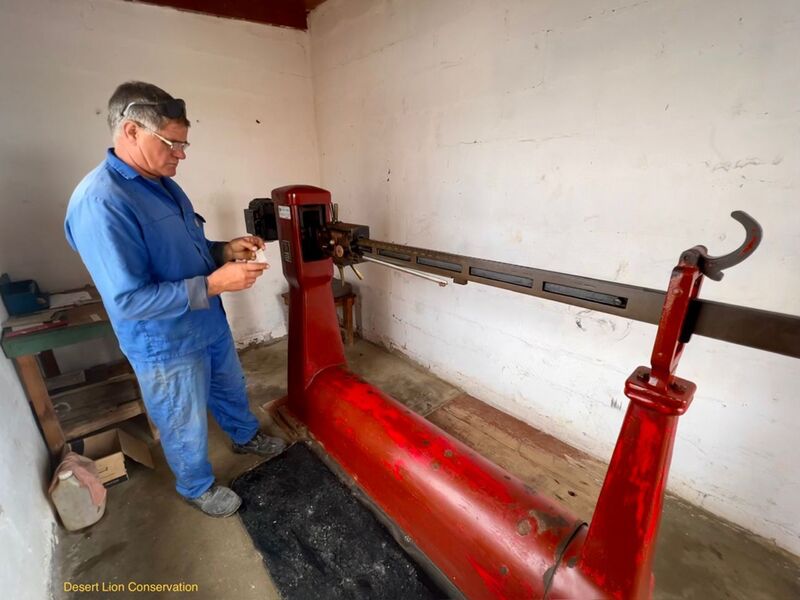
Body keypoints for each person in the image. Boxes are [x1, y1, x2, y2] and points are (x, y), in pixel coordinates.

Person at [65, 81, 286, 517]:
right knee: (181, 418)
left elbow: (186, 250)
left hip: (205, 322)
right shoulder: (102, 202)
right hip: (164, 341)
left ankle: (244, 437)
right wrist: (216, 284)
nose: (181, 154)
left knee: (229, 388)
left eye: (184, 144)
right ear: (130, 131)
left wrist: (222, 251)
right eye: (172, 143)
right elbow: (128, 301)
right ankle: (196, 485)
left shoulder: (163, 183)